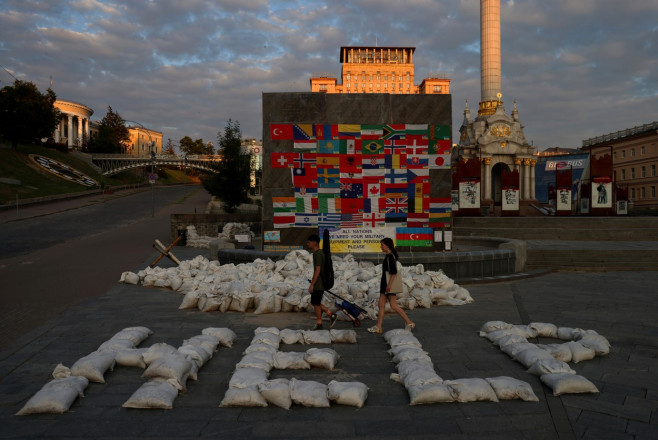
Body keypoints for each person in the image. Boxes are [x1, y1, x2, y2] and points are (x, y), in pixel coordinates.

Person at [368, 237, 415, 334]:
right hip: (385, 284)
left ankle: (409, 322)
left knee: (393, 305)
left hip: (388, 285)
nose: (381, 247)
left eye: (382, 245)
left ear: (387, 246)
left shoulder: (390, 257)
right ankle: (378, 326)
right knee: (381, 304)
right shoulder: (388, 256)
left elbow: (393, 273)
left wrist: (389, 286)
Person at [306, 234, 338, 330]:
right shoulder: (319, 253)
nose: (307, 244)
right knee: (315, 302)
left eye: (309, 242)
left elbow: (318, 270)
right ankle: (324, 320)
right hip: (319, 282)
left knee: (315, 303)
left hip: (318, 283)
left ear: (314, 243)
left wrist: (312, 285)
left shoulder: (318, 254)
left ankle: (328, 317)